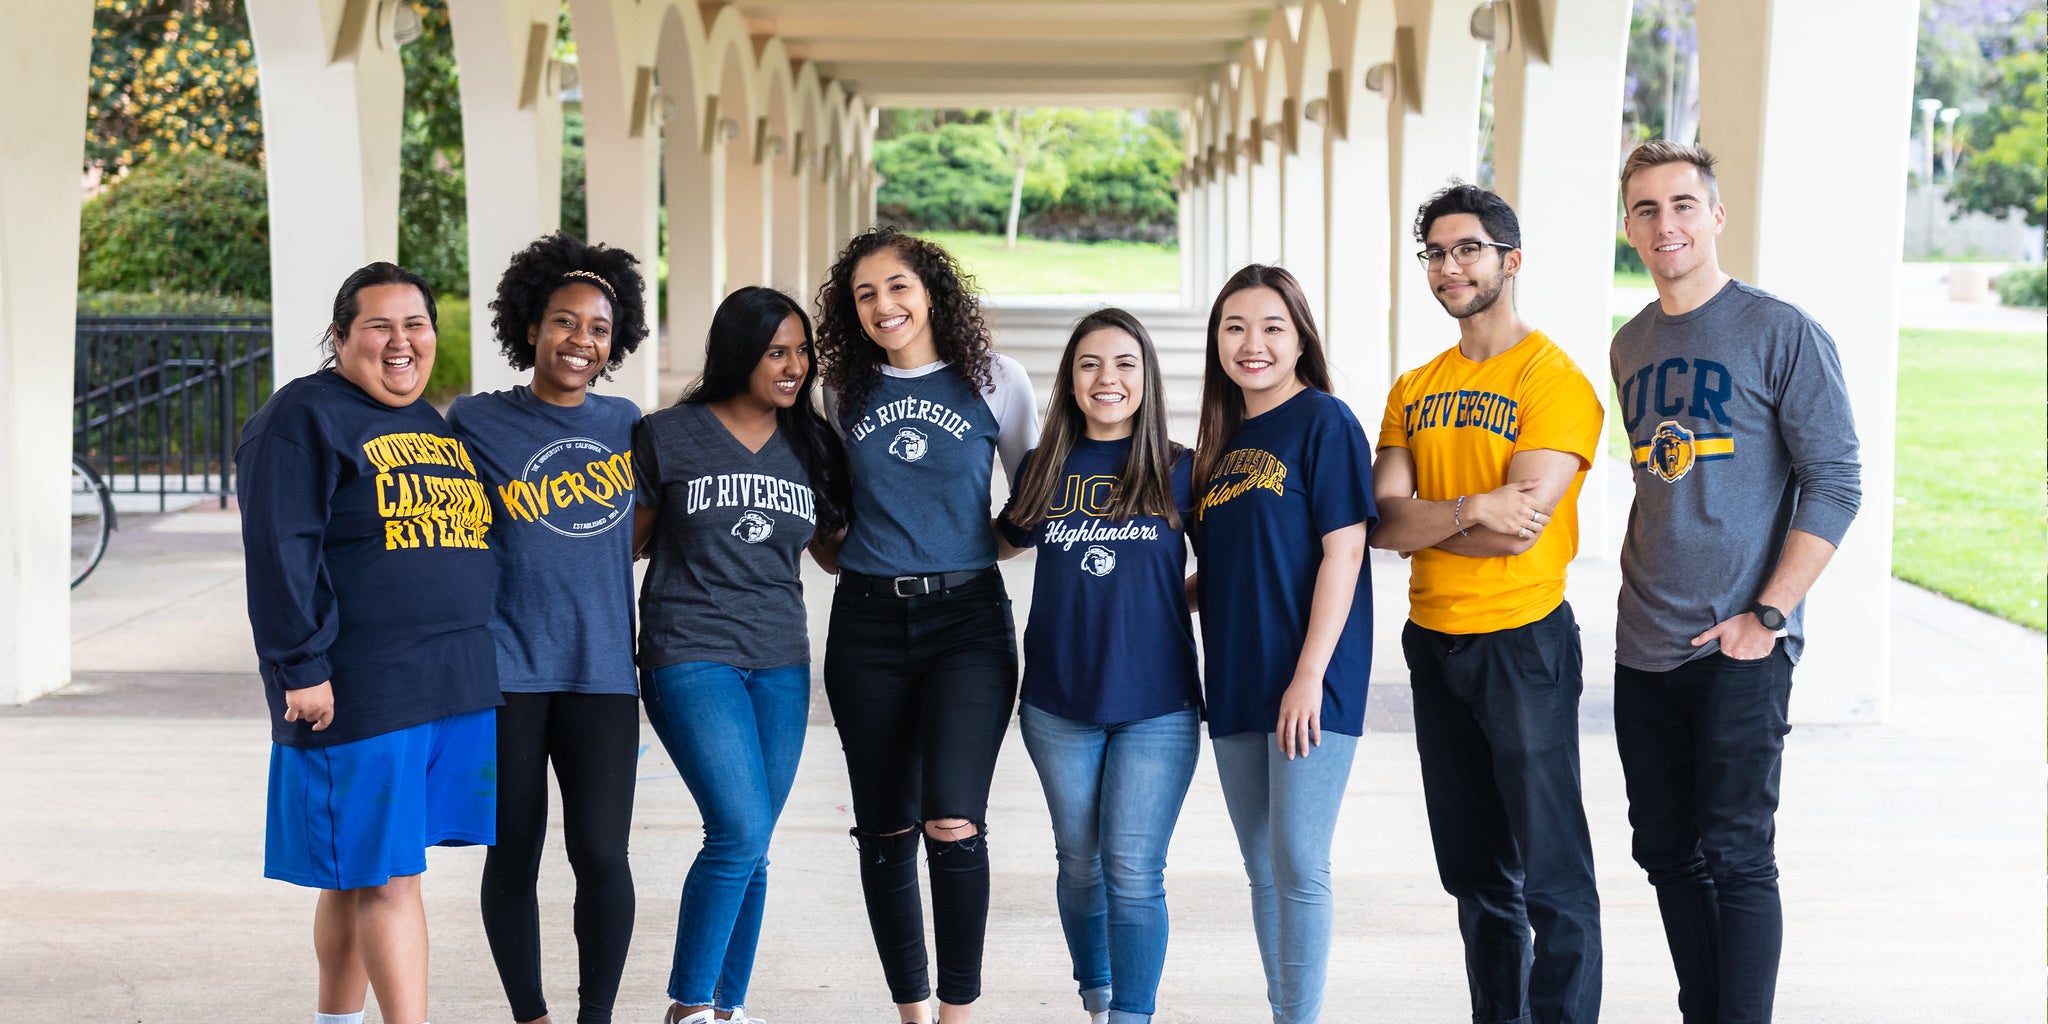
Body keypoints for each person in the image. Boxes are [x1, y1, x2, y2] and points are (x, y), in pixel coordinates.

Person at [1611, 140, 1862, 1023]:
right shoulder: (1631, 345)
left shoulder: (1778, 330)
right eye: (1646, 209)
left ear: (1715, 216)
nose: (1665, 223)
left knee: (1738, 852)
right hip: (1645, 644)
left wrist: (1769, 613)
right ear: (1629, 227)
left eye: (1682, 204)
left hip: (1740, 641)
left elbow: (1836, 482)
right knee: (1668, 852)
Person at [237, 262, 499, 1024]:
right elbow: (281, 551)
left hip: (448, 683)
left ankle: (336, 1021)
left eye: (414, 325)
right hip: (362, 685)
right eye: (378, 326)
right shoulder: (302, 418)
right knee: (389, 879)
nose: (400, 343)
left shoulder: (429, 421)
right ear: (339, 337)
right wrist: (299, 667)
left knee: (357, 874)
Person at [1368, 183, 1606, 1024]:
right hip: (1433, 643)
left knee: (1551, 873)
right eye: (1435, 252)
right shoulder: (1414, 386)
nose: (1449, 266)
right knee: (1475, 873)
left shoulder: (1555, 380)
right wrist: (1470, 508)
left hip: (1523, 642)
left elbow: (1521, 534)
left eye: (1467, 249)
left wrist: (1430, 522)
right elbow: (1384, 524)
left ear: (1510, 259)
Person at [813, 227, 1039, 1024]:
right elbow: (825, 497)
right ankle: (911, 1014)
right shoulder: (842, 389)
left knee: (953, 817)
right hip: (867, 625)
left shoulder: (995, 379)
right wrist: (840, 550)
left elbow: (1034, 492)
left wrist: (981, 549)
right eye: (865, 294)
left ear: (932, 291)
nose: (884, 305)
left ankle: (958, 1013)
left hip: (967, 623)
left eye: (898, 287)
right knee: (885, 829)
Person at [445, 233, 649, 1024]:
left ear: (615, 342)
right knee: (515, 853)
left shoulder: (628, 423)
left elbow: (648, 525)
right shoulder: (477, 420)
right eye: (565, 322)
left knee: (601, 853)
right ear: (530, 327)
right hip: (507, 673)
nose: (580, 341)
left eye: (598, 328)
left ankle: (594, 1016)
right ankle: (530, 1015)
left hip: (603, 671)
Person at [631, 286, 849, 1024]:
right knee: (738, 830)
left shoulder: (813, 444)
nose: (793, 367)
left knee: (753, 844)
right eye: (775, 351)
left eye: (801, 351)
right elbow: (625, 545)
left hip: (781, 661)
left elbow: (831, 556)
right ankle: (688, 1006)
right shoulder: (666, 434)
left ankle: (728, 1009)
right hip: (688, 650)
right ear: (737, 354)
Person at [995, 309, 1202, 1024]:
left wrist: (1163, 603)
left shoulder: (1182, 469)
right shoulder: (1044, 468)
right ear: (1070, 379)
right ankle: (1096, 996)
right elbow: (998, 541)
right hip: (1058, 704)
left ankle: (1131, 1015)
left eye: (1123, 364)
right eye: (1089, 364)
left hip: (1159, 705)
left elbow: (1232, 559)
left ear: (1146, 377)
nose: (1106, 379)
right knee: (1081, 866)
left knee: (1134, 873)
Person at [1191, 264, 1375, 1024]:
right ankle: (1283, 1012)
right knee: (1262, 867)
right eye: (1235, 327)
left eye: (1272, 327)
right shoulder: (1219, 441)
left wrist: (1308, 675)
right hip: (1235, 672)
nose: (1253, 344)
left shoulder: (1325, 422)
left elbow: (1345, 550)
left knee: (1299, 861)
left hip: (1311, 675)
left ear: (1300, 338)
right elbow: (1226, 566)